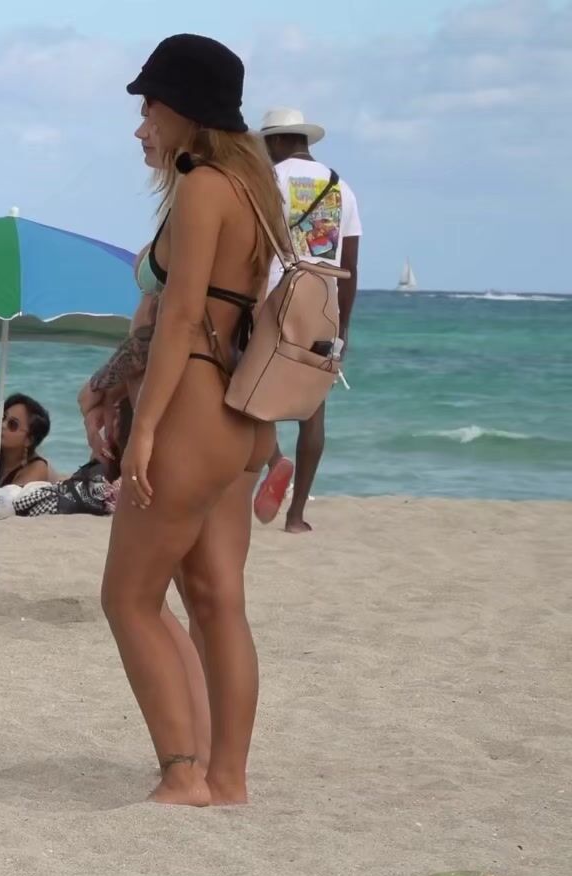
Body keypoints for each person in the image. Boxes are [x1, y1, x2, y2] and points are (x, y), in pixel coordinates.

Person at [106, 34, 285, 806]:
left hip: (194, 407)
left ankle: (183, 774)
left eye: (150, 108)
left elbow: (179, 321)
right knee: (217, 602)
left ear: (184, 108)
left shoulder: (203, 187)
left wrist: (143, 430)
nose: (141, 126)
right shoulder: (255, 189)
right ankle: (228, 778)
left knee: (129, 598)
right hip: (243, 417)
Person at [253, 106, 361, 533]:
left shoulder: (268, 180)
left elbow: (251, 246)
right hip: (323, 303)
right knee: (313, 410)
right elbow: (350, 265)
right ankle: (296, 515)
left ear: (278, 140)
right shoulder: (342, 188)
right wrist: (343, 327)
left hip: (275, 298)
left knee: (250, 397)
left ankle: (274, 460)